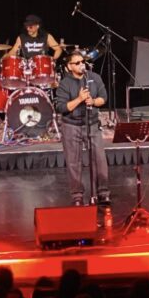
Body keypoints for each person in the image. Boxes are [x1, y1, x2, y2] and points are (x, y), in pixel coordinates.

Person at [54, 50, 110, 206]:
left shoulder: (94, 78)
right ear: (69, 66)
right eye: (77, 63)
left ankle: (103, 193)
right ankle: (77, 196)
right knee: (73, 162)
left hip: (91, 124)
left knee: (99, 159)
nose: (81, 65)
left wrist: (93, 101)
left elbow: (103, 98)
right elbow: (61, 107)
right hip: (71, 126)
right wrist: (79, 99)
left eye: (82, 62)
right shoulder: (65, 84)